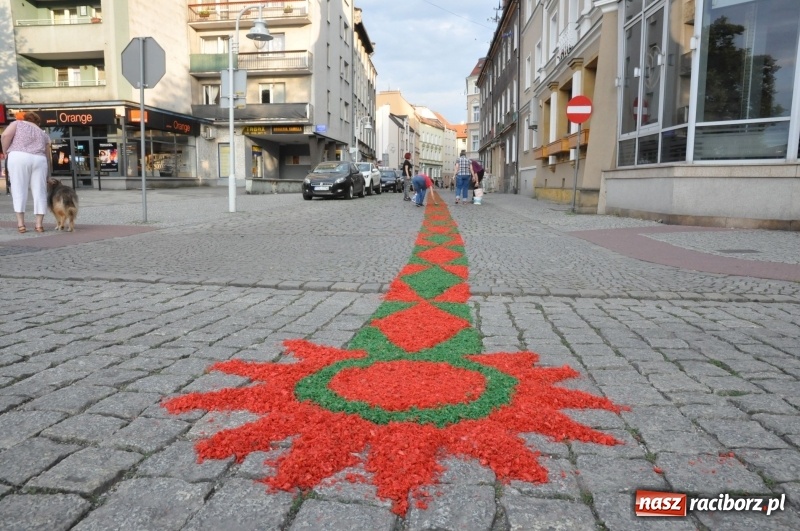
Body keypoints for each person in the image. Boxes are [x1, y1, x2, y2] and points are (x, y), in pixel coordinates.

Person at [1, 111, 51, 233]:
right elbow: (47, 155)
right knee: (40, 191)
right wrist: (48, 173)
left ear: (25, 118)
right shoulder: (43, 133)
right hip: (39, 159)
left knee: (19, 188)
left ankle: (21, 224)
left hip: (19, 156)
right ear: (37, 122)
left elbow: (5, 136)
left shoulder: (17, 124)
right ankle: (39, 225)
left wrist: (5, 151)